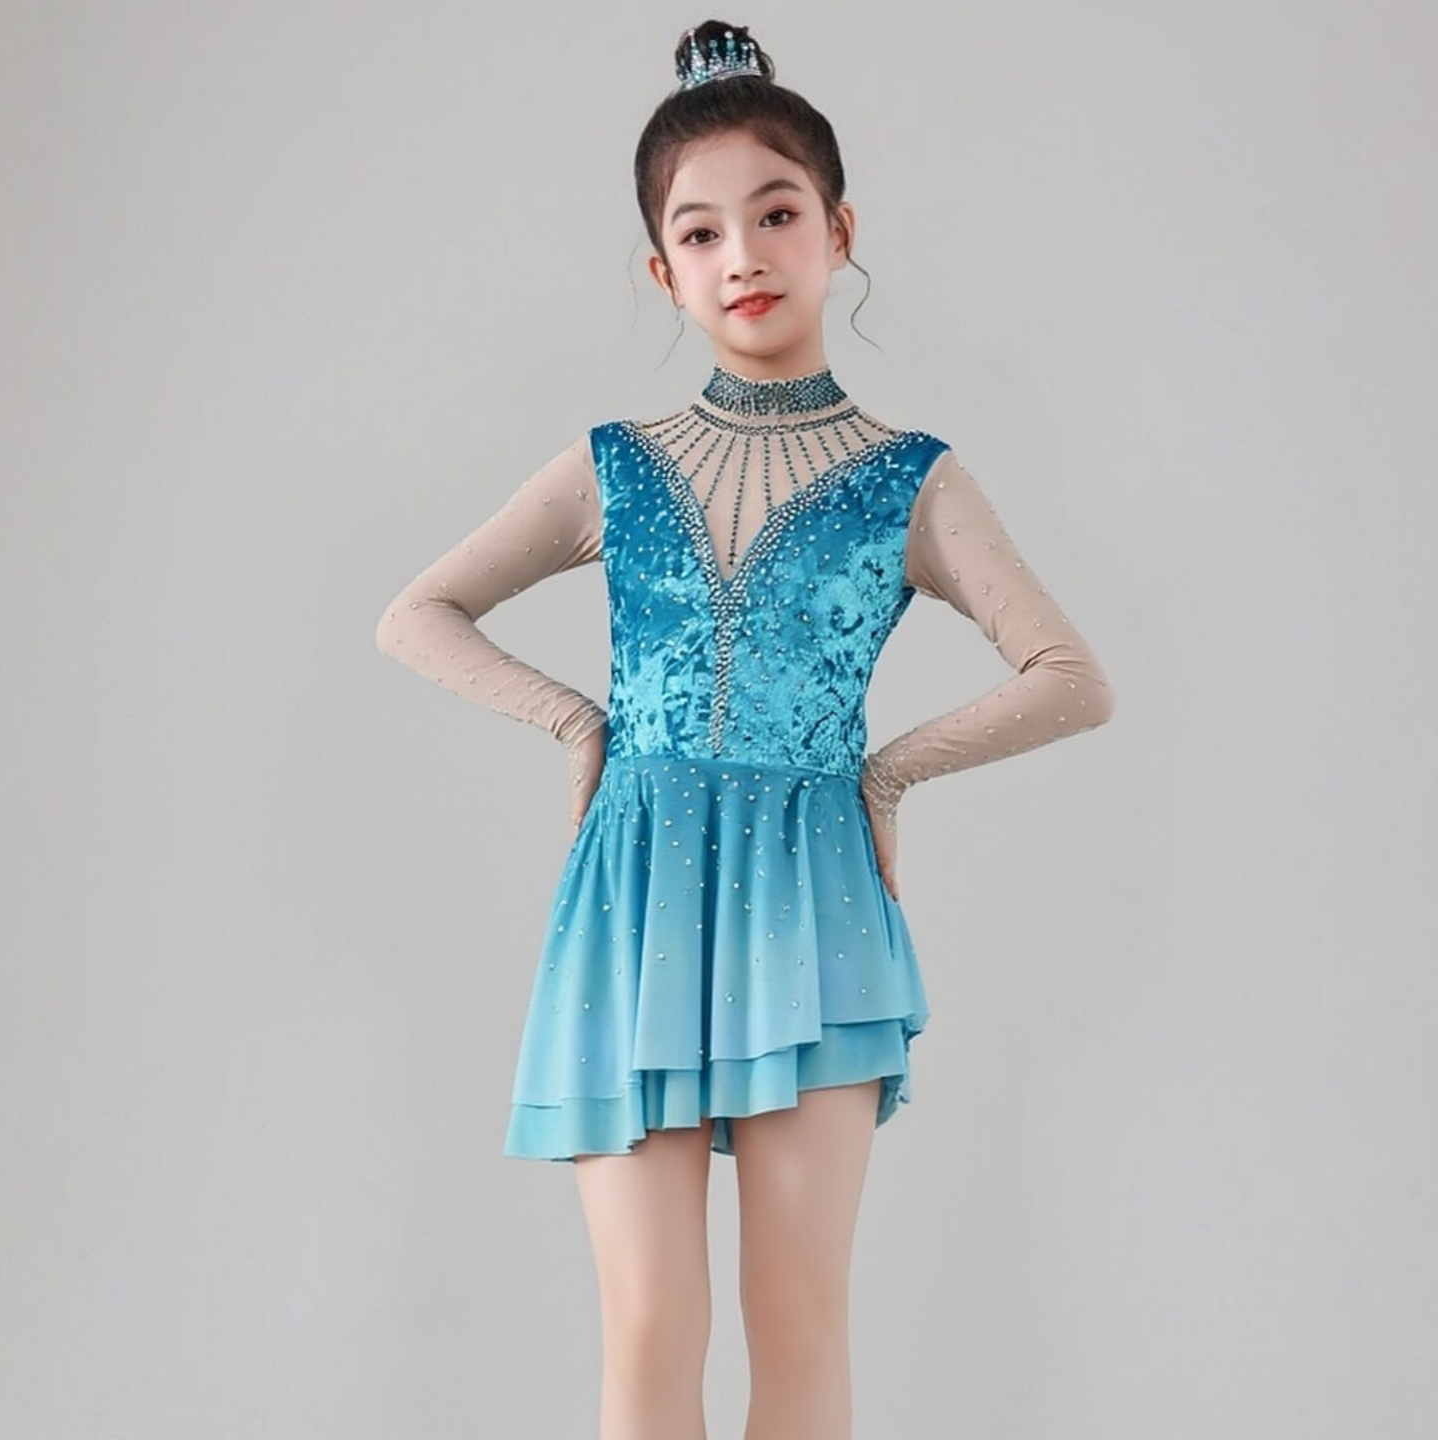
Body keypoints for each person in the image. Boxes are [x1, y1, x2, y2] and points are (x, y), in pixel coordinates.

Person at [375, 19, 1115, 1440]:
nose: (743, 256)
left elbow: (1070, 675)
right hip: (635, 897)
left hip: (813, 901)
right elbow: (417, 613)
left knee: (798, 1315)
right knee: (651, 1327)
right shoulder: (614, 466)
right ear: (663, 270)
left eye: (776, 215)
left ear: (839, 229)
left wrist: (887, 776)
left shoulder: (911, 478)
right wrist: (572, 723)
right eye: (700, 232)